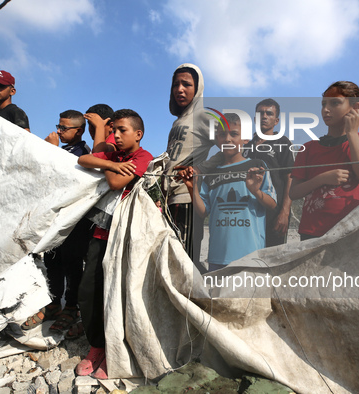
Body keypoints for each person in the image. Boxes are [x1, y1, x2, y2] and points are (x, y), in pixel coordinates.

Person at [75, 109, 153, 379]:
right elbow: (84, 158)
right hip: (101, 234)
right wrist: (109, 163)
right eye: (113, 130)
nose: (115, 135)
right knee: (90, 290)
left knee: (120, 295)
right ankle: (97, 346)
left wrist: (109, 166)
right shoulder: (114, 157)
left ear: (138, 135)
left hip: (127, 238)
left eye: (122, 130)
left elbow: (116, 182)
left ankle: (117, 351)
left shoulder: (143, 157)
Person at [20, 110, 92, 333]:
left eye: (64, 128)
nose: (59, 132)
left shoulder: (83, 152)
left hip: (74, 221)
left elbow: (69, 178)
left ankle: (71, 307)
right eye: (58, 127)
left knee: (72, 263)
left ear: (79, 131)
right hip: (56, 219)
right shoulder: (65, 149)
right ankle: (53, 304)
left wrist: (50, 151)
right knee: (52, 261)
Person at [179, 113, 276, 271]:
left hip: (250, 255)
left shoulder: (257, 166)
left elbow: (272, 204)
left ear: (245, 139)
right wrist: (192, 188)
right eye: (222, 134)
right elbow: (203, 211)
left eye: (234, 134)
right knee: (217, 296)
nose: (228, 139)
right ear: (217, 140)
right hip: (218, 255)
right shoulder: (210, 174)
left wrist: (255, 191)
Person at [289, 81, 359, 240]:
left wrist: (352, 133)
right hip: (312, 231)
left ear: (355, 108)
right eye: (323, 104)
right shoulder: (309, 148)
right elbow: (294, 192)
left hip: (351, 230)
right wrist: (322, 179)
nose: (326, 109)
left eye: (335, 103)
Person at [164, 63, 213, 262]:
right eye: (176, 84)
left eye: (186, 84)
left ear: (198, 87)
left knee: (184, 261)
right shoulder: (179, 120)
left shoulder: (203, 115)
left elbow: (231, 145)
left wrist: (202, 168)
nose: (180, 89)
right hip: (170, 197)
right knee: (170, 258)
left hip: (187, 198)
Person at [242, 98, 295, 247]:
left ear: (276, 120)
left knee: (271, 258)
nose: (264, 116)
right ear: (254, 119)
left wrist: (284, 212)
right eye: (260, 113)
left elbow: (290, 178)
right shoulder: (245, 145)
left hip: (273, 211)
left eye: (269, 113)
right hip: (247, 211)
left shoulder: (283, 142)